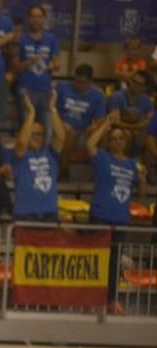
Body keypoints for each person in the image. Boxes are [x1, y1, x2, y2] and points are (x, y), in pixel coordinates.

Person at [86, 112, 147, 314]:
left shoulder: (132, 164)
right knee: (95, 261)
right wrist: (106, 125)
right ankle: (89, 299)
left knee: (114, 264)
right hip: (100, 217)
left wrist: (143, 180)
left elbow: (142, 194)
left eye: (121, 138)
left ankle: (111, 300)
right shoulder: (103, 158)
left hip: (120, 220)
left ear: (126, 142)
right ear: (110, 142)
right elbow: (90, 145)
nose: (118, 141)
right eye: (114, 139)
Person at [11, 91, 65, 221]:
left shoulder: (50, 153)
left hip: (49, 213)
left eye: (39, 134)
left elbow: (61, 137)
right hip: (25, 213)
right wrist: (31, 113)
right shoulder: (19, 154)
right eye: (32, 134)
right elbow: (22, 142)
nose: (36, 137)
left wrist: (52, 109)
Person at [12, 4, 59, 133]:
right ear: (28, 19)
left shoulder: (51, 39)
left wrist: (52, 65)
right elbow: (15, 66)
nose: (36, 20)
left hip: (45, 91)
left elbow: (57, 63)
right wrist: (30, 62)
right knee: (26, 129)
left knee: (47, 130)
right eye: (33, 17)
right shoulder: (21, 39)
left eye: (39, 17)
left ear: (44, 19)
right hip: (25, 90)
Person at [56, 64, 106, 177]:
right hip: (63, 128)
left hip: (84, 131)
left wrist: (94, 126)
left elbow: (100, 119)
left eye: (82, 82)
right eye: (76, 81)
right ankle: (64, 170)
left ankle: (98, 171)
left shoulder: (98, 96)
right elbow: (51, 108)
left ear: (90, 82)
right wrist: (60, 122)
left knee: (101, 133)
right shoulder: (62, 88)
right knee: (69, 133)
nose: (77, 85)